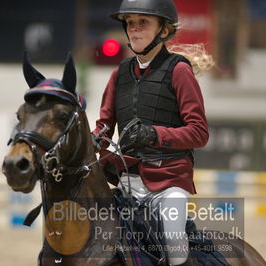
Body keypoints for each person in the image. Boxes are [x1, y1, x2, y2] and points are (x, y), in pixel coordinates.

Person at [92, 0, 213, 265]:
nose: (134, 29)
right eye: (130, 23)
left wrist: (154, 134)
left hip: (168, 184)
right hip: (126, 183)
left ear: (165, 31)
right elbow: (104, 126)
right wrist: (94, 141)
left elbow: (199, 133)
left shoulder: (179, 71)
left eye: (143, 22)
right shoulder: (119, 74)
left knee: (173, 241)